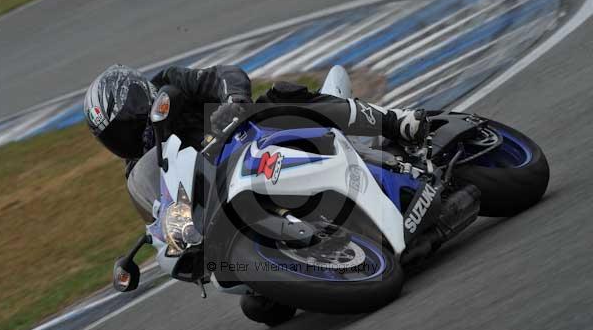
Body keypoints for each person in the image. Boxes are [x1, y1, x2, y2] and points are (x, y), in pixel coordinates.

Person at [83, 64, 428, 222]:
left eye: (127, 121)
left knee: (282, 97)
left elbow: (221, 75)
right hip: (230, 195)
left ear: (139, 96)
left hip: (248, 135)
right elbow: (165, 216)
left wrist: (233, 99)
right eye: (115, 135)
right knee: (260, 306)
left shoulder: (170, 83)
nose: (126, 136)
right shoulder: (141, 171)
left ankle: (395, 122)